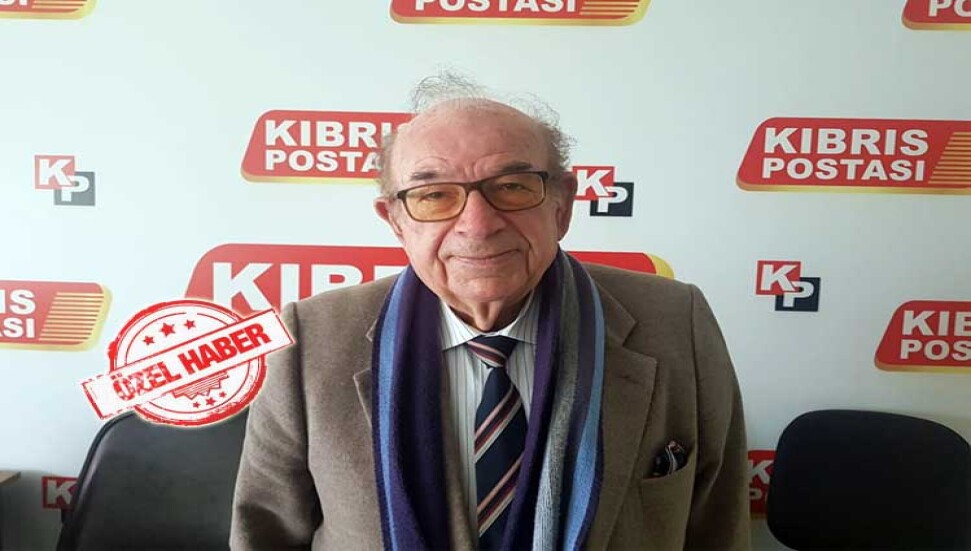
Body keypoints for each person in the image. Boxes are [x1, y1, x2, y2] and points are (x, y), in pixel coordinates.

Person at [230, 75, 750, 550]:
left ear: (562, 206)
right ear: (396, 222)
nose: (477, 225)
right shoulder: (309, 339)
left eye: (513, 187)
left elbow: (718, 527)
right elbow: (265, 535)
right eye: (434, 195)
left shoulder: (676, 322)